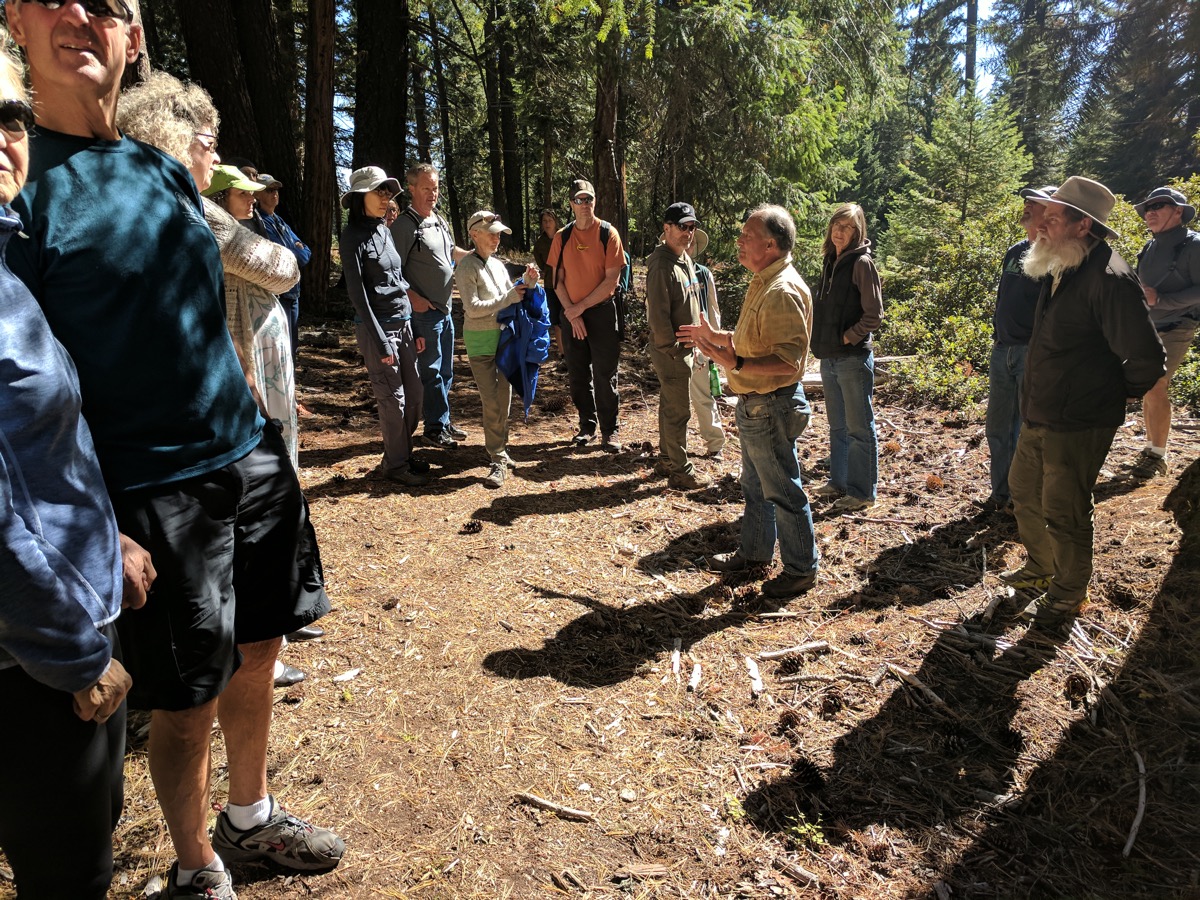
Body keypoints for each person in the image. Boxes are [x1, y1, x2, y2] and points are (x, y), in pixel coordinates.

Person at [6, 3, 342, 896]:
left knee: (261, 648)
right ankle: (199, 871)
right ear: (14, 20)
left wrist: (254, 403)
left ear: (135, 37)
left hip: (249, 455)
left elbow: (192, 305)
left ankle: (250, 819)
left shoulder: (157, 170)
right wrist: (92, 526)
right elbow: (24, 391)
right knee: (185, 701)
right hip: (152, 491)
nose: (82, 14)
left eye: (109, 5)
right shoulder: (18, 179)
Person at [0, 37, 155, 898]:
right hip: (30, 668)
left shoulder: (4, 265)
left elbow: (37, 451)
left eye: (9, 114)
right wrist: (73, 654)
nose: (0, 137)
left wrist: (108, 542)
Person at [1004, 177, 1165, 629]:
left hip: (1078, 420)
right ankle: (1041, 568)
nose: (1042, 225)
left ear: (1082, 226)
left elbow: (1147, 358)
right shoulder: (1064, 264)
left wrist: (1113, 393)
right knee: (1023, 490)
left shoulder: (1110, 278)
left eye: (1053, 218)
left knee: (1066, 509)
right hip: (1042, 410)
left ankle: (1069, 592)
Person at [679, 205, 820, 601]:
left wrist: (735, 361)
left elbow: (789, 360)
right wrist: (720, 336)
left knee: (783, 490)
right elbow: (754, 338)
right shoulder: (765, 279)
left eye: (747, 236)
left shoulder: (782, 290)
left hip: (770, 405)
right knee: (757, 486)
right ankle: (756, 552)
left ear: (771, 245)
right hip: (759, 405)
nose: (739, 241)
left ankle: (801, 569)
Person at [202, 165, 301, 467]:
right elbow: (284, 271)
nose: (252, 199)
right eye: (242, 193)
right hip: (245, 347)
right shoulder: (216, 233)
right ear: (219, 200)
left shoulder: (248, 231)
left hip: (265, 348)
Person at [343, 166, 431, 487]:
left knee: (416, 395)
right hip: (376, 329)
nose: (385, 198)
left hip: (404, 325)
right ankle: (396, 465)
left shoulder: (383, 229)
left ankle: (400, 456)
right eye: (377, 191)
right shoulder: (351, 236)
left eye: (387, 192)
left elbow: (398, 280)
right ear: (359, 197)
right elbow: (358, 295)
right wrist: (381, 340)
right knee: (393, 401)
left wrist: (415, 325)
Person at [979, 186, 1056, 511]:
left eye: (1033, 203)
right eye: (1026, 201)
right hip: (1003, 351)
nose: (1026, 206)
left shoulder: (1056, 256)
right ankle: (1002, 495)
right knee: (997, 428)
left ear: (1050, 213)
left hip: (1031, 354)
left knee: (1030, 429)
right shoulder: (1015, 251)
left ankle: (1028, 501)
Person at [809, 203, 883, 513]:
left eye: (848, 227)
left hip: (852, 358)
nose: (840, 232)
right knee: (837, 426)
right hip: (829, 358)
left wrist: (847, 336)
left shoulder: (861, 264)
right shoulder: (830, 262)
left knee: (859, 428)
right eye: (837, 225)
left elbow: (874, 315)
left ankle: (862, 491)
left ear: (858, 232)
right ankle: (838, 482)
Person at [390, 162, 470, 448]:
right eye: (426, 188)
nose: (432, 194)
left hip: (445, 310)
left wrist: (476, 255)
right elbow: (392, 273)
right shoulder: (404, 226)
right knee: (431, 371)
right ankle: (434, 428)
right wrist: (417, 302)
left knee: (445, 371)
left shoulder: (438, 219)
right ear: (411, 189)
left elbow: (452, 252)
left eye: (435, 188)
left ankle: (443, 420)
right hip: (424, 315)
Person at [458, 210, 539, 488]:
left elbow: (511, 295)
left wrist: (528, 284)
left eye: (498, 234)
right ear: (474, 234)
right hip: (480, 343)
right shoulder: (467, 267)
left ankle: (500, 449)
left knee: (503, 399)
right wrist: (507, 298)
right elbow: (472, 308)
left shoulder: (497, 265)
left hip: (504, 341)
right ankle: (497, 458)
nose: (496, 238)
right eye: (491, 233)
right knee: (491, 401)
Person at [546, 178, 626, 452]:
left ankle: (610, 431)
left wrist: (579, 309)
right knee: (578, 373)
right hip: (573, 316)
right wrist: (572, 313)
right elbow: (556, 280)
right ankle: (587, 426)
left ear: (595, 201)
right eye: (579, 200)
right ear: (571, 204)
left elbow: (611, 281)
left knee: (605, 373)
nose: (584, 205)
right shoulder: (562, 237)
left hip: (602, 314)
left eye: (588, 199)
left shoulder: (608, 233)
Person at [1128, 186, 1200, 480]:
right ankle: (1150, 449)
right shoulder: (1150, 246)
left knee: (1156, 384)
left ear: (1178, 211)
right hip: (1148, 326)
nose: (1150, 212)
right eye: (1147, 208)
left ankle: (1157, 456)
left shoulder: (1194, 245)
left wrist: (1163, 300)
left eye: (1159, 205)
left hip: (1177, 326)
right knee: (1148, 386)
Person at [646, 201, 707, 490]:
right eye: (682, 227)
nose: (688, 233)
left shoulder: (684, 258)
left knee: (670, 406)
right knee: (679, 410)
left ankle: (667, 459)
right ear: (666, 228)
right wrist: (671, 348)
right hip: (672, 352)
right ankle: (681, 471)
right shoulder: (661, 265)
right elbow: (658, 314)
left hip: (685, 349)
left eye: (692, 227)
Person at [255, 172, 311, 367]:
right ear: (257, 194)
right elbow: (282, 256)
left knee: (292, 344)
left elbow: (305, 253)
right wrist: (295, 251)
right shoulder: (259, 222)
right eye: (269, 190)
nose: (275, 194)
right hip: (278, 295)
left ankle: (292, 391)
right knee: (280, 346)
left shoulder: (280, 222)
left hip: (293, 293)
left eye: (276, 190)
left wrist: (296, 251)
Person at [689, 228, 727, 461]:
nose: (687, 245)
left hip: (702, 344)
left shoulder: (703, 274)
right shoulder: (664, 270)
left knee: (703, 395)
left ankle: (715, 444)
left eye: (692, 242)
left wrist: (713, 344)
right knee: (675, 399)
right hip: (674, 346)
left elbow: (713, 310)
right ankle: (674, 447)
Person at [533, 208, 563, 356]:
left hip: (570, 283)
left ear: (556, 221)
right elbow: (541, 263)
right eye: (544, 221)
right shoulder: (539, 243)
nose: (547, 223)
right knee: (556, 319)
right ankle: (562, 351)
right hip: (551, 285)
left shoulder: (565, 236)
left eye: (550, 220)